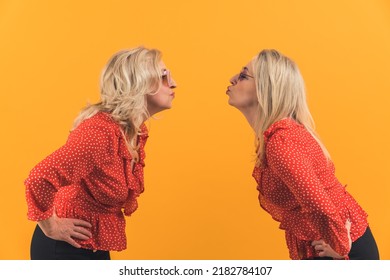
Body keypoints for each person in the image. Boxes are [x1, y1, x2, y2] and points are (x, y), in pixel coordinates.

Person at [24, 47, 177, 260]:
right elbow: (38, 178)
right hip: (65, 248)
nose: (173, 83)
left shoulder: (135, 132)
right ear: (139, 83)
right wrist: (50, 227)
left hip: (94, 243)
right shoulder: (99, 132)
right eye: (163, 77)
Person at [226, 49, 379, 260]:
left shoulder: (282, 142)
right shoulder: (279, 136)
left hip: (337, 249)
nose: (232, 79)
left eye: (243, 76)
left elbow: (319, 203)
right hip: (329, 245)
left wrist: (342, 250)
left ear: (266, 89)